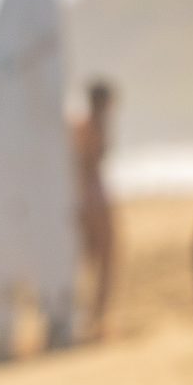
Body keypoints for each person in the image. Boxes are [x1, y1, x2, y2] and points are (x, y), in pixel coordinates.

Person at [71, 78, 120, 337]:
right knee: (101, 254)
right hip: (91, 194)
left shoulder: (86, 123)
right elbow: (87, 161)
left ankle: (94, 316)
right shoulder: (91, 124)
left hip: (89, 192)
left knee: (96, 256)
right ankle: (94, 318)